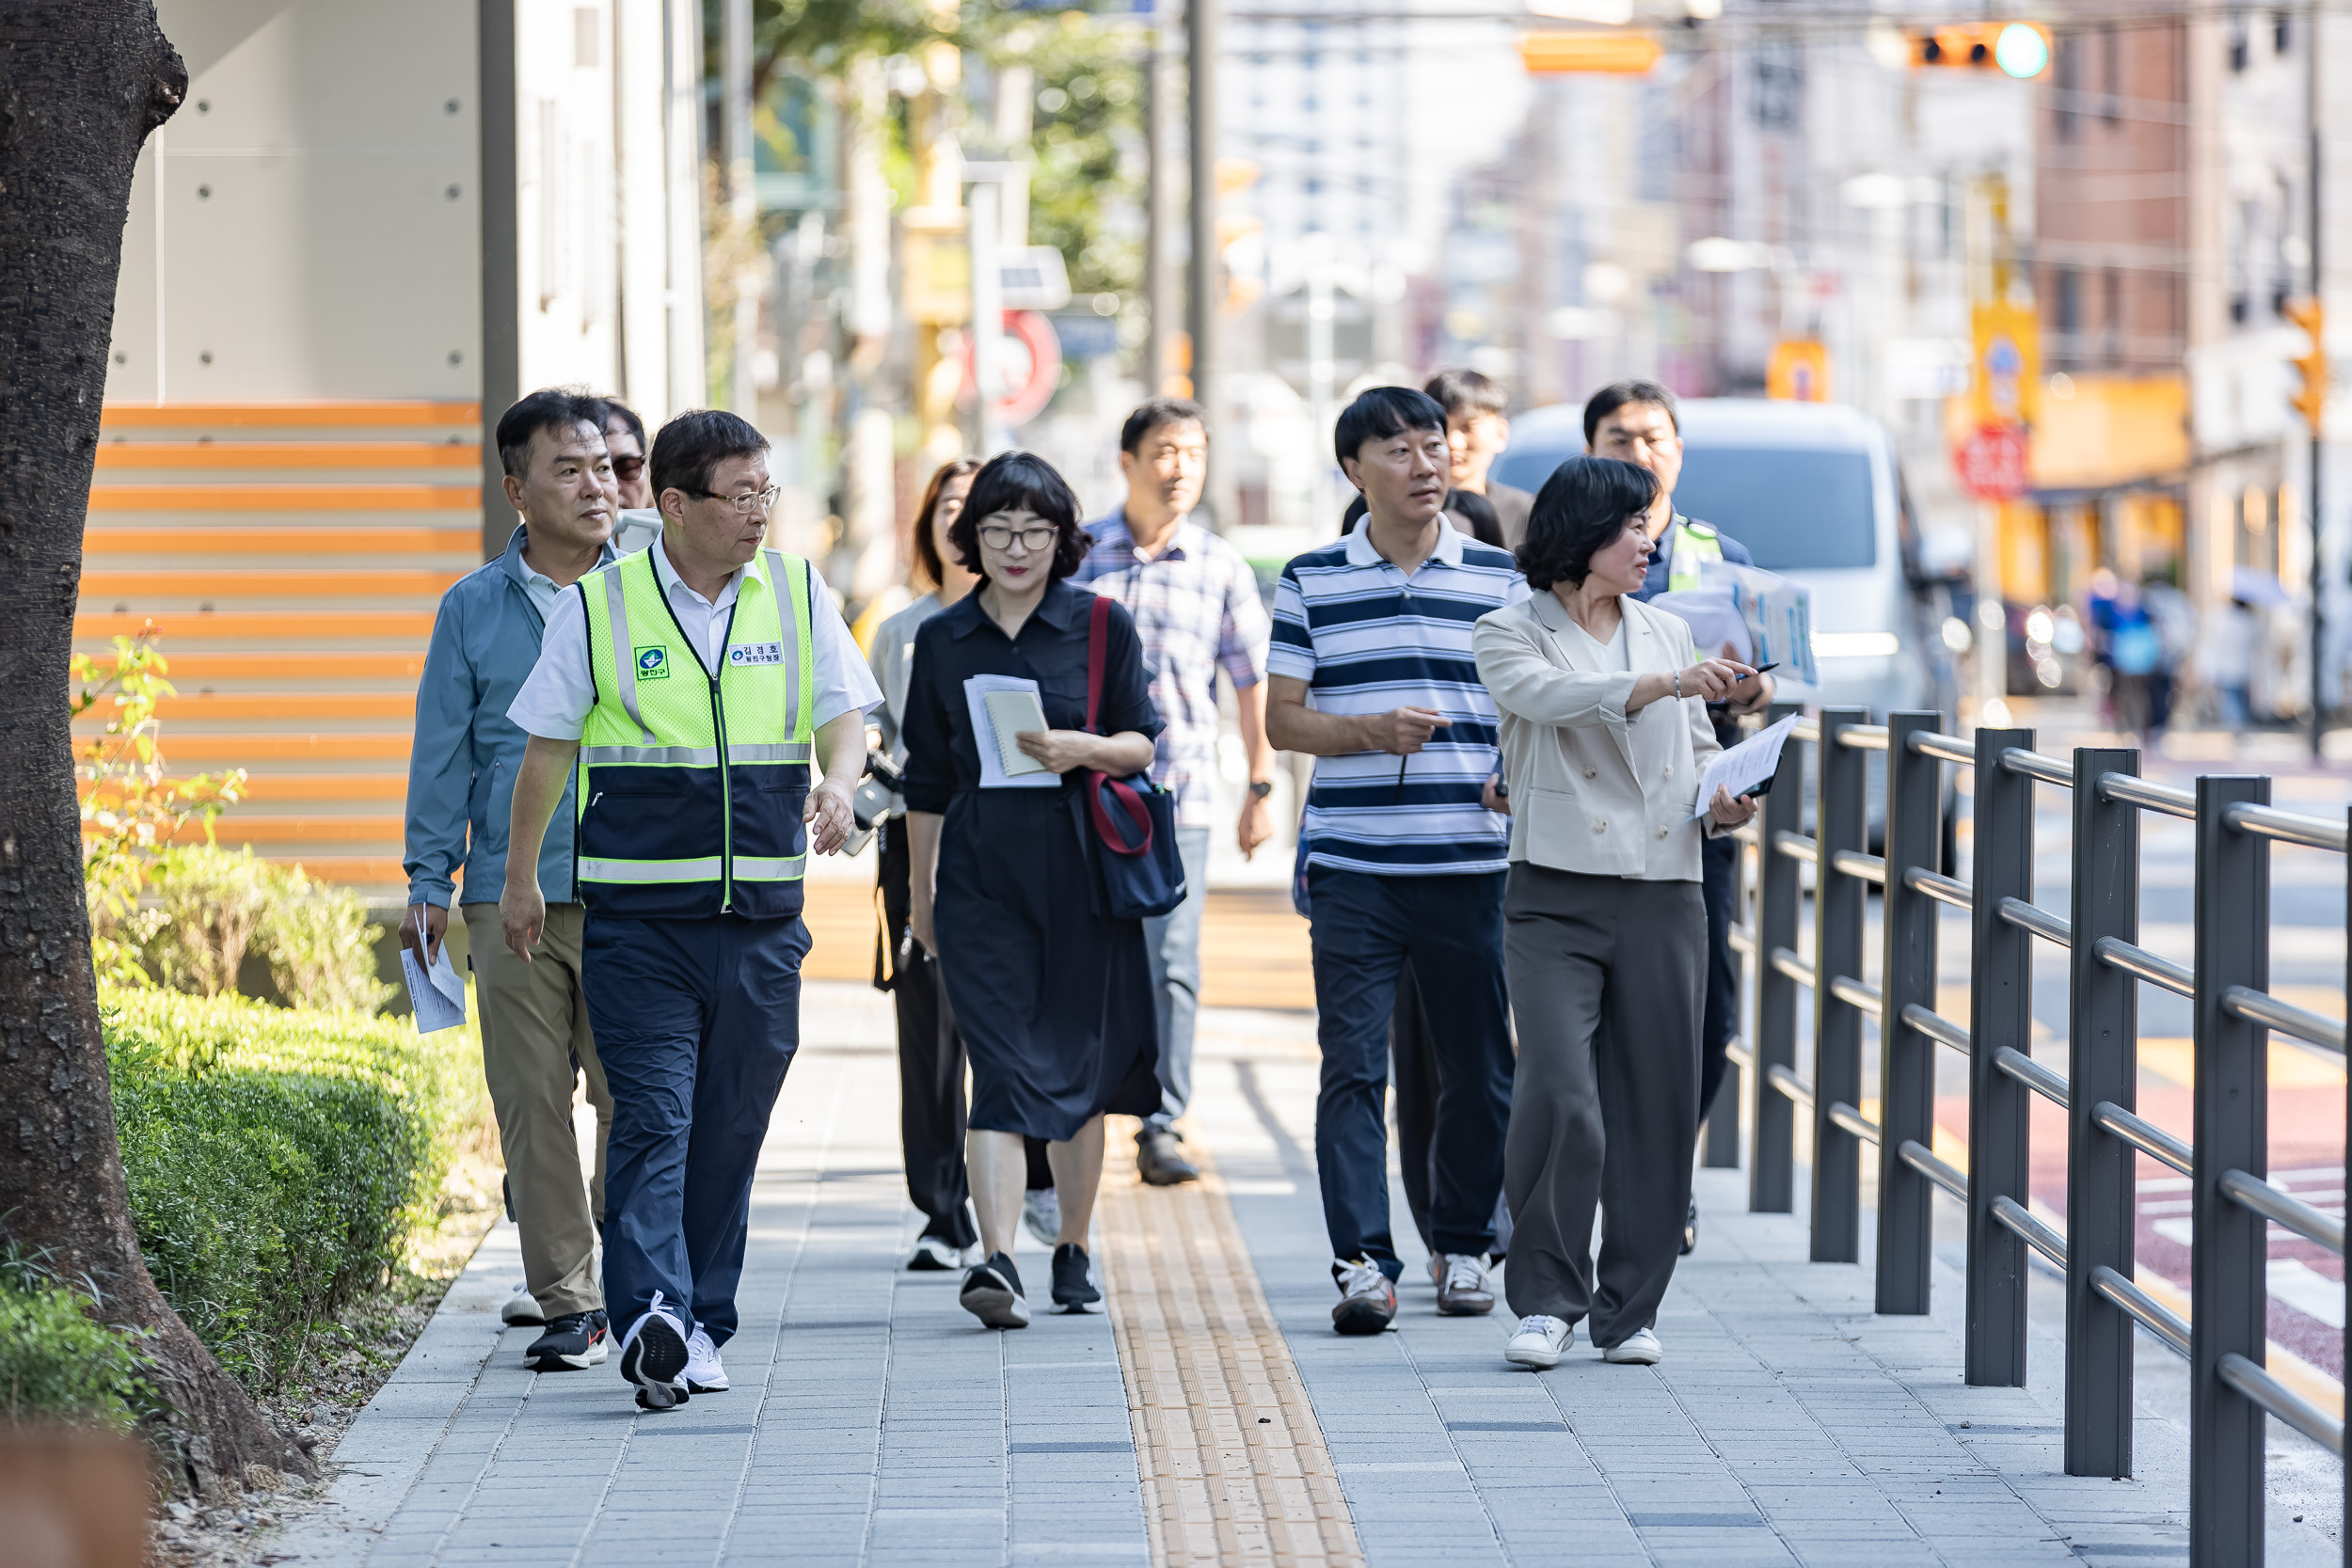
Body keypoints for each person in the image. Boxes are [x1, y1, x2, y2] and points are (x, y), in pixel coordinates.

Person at [501, 409, 880, 1410]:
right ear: (673, 503)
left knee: (729, 1130)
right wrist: (520, 878)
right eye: (739, 493)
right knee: (656, 1119)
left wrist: (840, 782)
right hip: (639, 926)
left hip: (760, 924)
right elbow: (546, 746)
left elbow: (848, 716)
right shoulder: (598, 607)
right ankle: (653, 1313)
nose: (760, 512)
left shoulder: (798, 591)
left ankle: (703, 1317)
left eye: (768, 492)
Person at [1471, 455, 1759, 1371]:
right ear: (1580, 535)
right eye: (1629, 526)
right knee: (1560, 1090)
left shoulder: (1668, 628)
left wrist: (1725, 802)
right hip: (1554, 890)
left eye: (1648, 526)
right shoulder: (1506, 629)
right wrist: (1667, 684)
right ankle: (1547, 1296)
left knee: (1658, 1101)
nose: (1647, 540)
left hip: (1666, 885)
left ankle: (1627, 1307)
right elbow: (1547, 700)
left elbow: (1700, 749)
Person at [1266, 386, 1524, 1335]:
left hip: (1470, 862)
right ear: (1353, 470)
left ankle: (1462, 1243)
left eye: (1435, 446)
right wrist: (1367, 730)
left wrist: (1510, 778)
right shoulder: (1310, 578)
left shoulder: (1499, 580)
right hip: (1354, 864)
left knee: (1480, 1066)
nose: (1426, 465)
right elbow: (1281, 718)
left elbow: (1525, 715)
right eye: (1401, 450)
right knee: (1350, 1066)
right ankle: (1362, 1262)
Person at [900, 451, 1166, 1328]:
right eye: (998, 529)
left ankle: (1075, 1246)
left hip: (1083, 872)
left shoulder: (1099, 625)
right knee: (1002, 1066)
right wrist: (920, 897)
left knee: (1079, 1069)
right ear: (970, 537)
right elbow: (928, 783)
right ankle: (999, 1257)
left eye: (1035, 530)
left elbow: (1142, 744)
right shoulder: (941, 639)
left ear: (1063, 537)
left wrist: (1079, 747)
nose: (1016, 547)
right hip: (981, 877)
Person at [403, 389, 620, 1372]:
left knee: (638, 1097)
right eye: (568, 469)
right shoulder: (473, 607)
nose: (595, 486)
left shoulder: (651, 589)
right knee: (531, 1097)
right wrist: (428, 877)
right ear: (516, 489)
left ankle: (639, 1275)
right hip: (507, 888)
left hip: (633, 884)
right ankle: (568, 1298)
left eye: (605, 468)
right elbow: (443, 751)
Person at [1586, 378, 1776, 1255]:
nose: (1639, 452)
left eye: (1654, 437)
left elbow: (1777, 676)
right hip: (1593, 800)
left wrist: (1755, 682)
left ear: (1679, 449)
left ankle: (1666, 1173)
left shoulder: (1720, 552)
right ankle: (1612, 1174)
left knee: (1709, 1012)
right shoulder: (1561, 554)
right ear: (1592, 451)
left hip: (1700, 801)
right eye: (1620, 437)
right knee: (1592, 1004)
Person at [1073, 398, 1276, 1187]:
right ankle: (1082, 1107)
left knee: (1173, 961)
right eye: (1164, 450)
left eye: (1193, 451)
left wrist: (1259, 787)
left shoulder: (1219, 565)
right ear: (1128, 461)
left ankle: (1162, 1121)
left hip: (1179, 799)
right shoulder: (1082, 553)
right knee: (1089, 955)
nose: (1181, 466)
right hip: (1083, 796)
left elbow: (1252, 682)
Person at [868, 456, 984, 1270]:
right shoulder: (899, 632)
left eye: (977, 506)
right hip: (914, 842)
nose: (960, 519)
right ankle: (943, 1212)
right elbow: (870, 742)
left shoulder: (1031, 623)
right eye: (947, 504)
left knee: (1010, 1028)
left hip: (1007, 846)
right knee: (930, 1036)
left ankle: (1021, 1189)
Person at [1426, 368, 1534, 549]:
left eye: (1468, 427)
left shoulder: (1526, 512)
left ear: (1501, 433)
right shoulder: (1397, 508)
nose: (1453, 442)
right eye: (1441, 428)